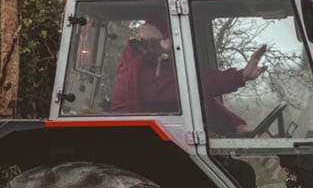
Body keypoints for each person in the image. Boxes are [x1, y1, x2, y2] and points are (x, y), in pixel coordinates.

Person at [110, 14, 267, 134]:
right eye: (170, 41)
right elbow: (188, 87)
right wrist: (240, 76)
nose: (173, 48)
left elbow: (196, 102)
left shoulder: (157, 66)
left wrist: (235, 126)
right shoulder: (139, 70)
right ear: (155, 42)